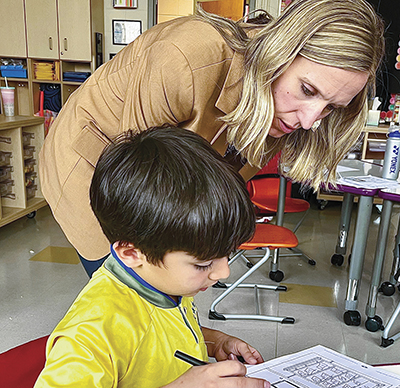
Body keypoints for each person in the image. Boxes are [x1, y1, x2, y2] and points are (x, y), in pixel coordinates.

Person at [38, 0, 385, 276]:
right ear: (279, 52)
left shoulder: (284, 103)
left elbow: (223, 182)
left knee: (178, 280)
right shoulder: (187, 56)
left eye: (330, 107)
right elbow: (139, 184)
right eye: (308, 90)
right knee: (127, 283)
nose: (311, 120)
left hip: (160, 173)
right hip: (96, 160)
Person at [34, 126, 269, 388]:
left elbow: (163, 338)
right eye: (203, 264)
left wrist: (215, 342)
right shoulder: (92, 332)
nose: (223, 272)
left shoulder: (162, 281)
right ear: (132, 253)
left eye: (227, 254)